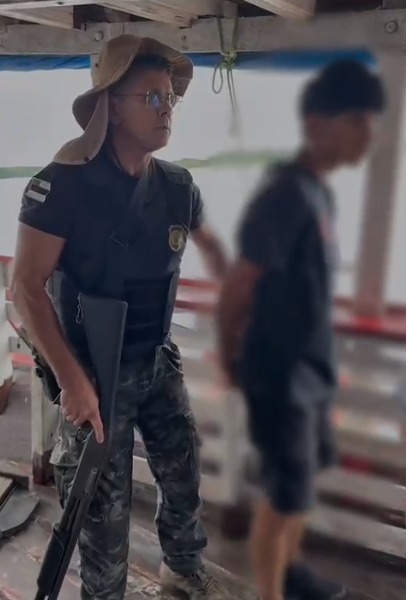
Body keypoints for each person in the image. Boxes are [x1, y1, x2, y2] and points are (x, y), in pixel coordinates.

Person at [11, 35, 229, 600]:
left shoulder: (177, 186)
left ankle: (181, 566)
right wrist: (72, 381)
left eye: (171, 98)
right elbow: (25, 289)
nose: (166, 109)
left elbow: (217, 254)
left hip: (156, 357)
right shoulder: (60, 186)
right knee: (101, 510)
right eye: (151, 98)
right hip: (94, 370)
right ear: (111, 106)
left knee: (183, 470)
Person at [217, 59, 386, 600]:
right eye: (357, 120)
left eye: (370, 122)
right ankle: (269, 591)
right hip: (280, 376)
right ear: (317, 123)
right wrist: (229, 360)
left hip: (311, 371)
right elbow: (237, 290)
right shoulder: (284, 195)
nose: (368, 134)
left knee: (302, 484)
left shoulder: (318, 193)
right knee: (281, 495)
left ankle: (291, 575)